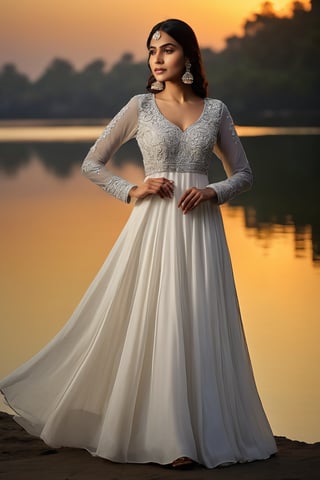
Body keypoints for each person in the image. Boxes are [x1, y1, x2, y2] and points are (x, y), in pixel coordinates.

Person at [0, 19, 277, 469]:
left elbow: (243, 174)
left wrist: (213, 191)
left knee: (198, 321)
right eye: (152, 50)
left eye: (167, 49)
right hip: (153, 229)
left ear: (187, 55)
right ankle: (171, 440)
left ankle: (200, 433)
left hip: (200, 230)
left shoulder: (216, 111)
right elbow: (93, 163)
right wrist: (132, 190)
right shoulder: (140, 107)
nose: (158, 58)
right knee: (157, 320)